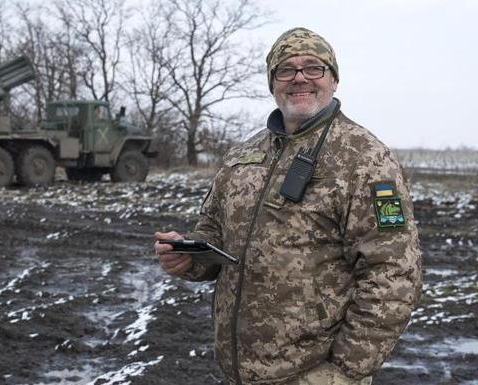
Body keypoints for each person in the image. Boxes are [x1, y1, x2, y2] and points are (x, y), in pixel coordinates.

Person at [154, 27, 421, 385]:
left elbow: (393, 275)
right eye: (286, 69)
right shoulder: (243, 156)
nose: (299, 78)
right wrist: (188, 257)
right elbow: (214, 234)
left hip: (314, 374)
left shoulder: (365, 159)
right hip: (238, 372)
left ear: (334, 79)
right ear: (272, 82)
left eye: (313, 68)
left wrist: (343, 372)